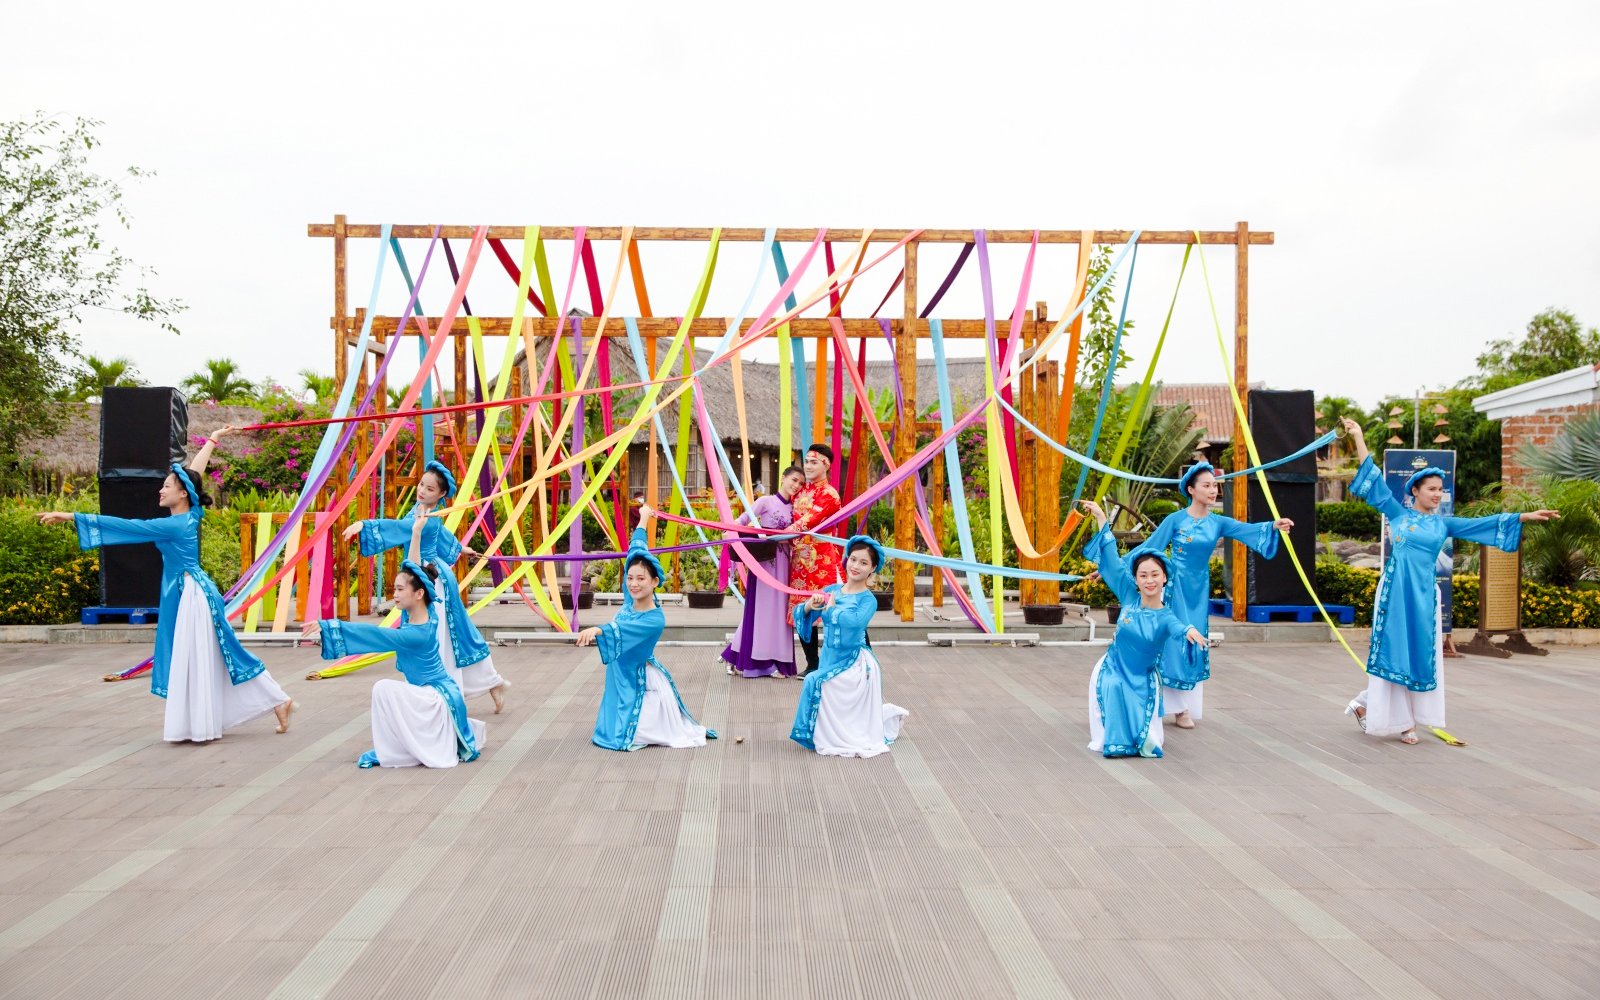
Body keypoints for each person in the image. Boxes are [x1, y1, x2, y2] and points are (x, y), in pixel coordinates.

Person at [37, 427, 294, 742]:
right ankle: (270, 702)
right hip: (190, 591)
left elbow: (125, 525)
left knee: (207, 655)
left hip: (191, 595)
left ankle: (269, 702)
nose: (160, 490)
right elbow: (194, 474)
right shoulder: (192, 514)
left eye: (166, 486)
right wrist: (213, 439)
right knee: (213, 654)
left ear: (182, 493)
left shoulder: (172, 525)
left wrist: (69, 515)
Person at [1338, 417, 1559, 744]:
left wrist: (1525, 517)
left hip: (1425, 597)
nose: (1438, 494)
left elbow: (1484, 523)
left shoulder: (1444, 525)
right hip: (1395, 594)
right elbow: (1372, 476)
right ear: (1415, 491)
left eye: (1441, 490)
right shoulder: (1397, 514)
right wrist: (1357, 436)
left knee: (1420, 654)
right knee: (1394, 652)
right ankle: (1399, 721)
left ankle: (1383, 711)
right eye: (1432, 489)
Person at [304, 513, 483, 767]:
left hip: (435, 697)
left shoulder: (414, 633)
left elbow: (375, 635)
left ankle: (394, 750)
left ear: (418, 594)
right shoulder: (424, 611)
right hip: (440, 694)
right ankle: (403, 743)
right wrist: (417, 533)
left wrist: (328, 627)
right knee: (390, 690)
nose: (395, 595)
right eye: (395, 589)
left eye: (399, 590)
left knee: (383, 689)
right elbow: (412, 565)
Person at [1125, 462, 1292, 729]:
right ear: (1191, 489)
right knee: (1171, 643)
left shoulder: (1218, 522)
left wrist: (1274, 525)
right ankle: (1172, 708)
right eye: (1207, 485)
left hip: (1198, 590)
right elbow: (1149, 548)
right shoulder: (1175, 520)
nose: (1213, 490)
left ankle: (1185, 707)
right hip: (1174, 588)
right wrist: (1114, 566)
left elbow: (1246, 530)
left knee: (1194, 642)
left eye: (1215, 485)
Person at [342, 460, 508, 713]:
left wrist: (364, 525)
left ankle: (445, 691)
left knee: (440, 636)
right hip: (424, 577)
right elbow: (440, 536)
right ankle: (488, 682)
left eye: (430, 489)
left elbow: (403, 528)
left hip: (432, 582)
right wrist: (461, 548)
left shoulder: (427, 517)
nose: (422, 491)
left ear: (441, 494)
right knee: (451, 635)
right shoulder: (423, 511)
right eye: (421, 484)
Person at [576, 503, 717, 751]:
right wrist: (643, 519)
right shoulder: (632, 598)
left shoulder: (654, 619)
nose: (633, 583)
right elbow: (636, 549)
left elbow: (621, 631)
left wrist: (596, 630)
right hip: (620, 673)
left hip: (636, 676)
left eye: (641, 579)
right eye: (630, 578)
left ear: (654, 582)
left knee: (626, 734)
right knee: (612, 727)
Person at [1078, 500, 1208, 758]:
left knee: (1150, 742)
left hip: (1143, 679)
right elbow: (1112, 559)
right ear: (1135, 579)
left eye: (1155, 575)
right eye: (1143, 575)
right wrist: (1101, 518)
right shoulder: (1128, 595)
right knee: (1113, 687)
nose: (1149, 580)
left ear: (1164, 578)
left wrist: (1190, 632)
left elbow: (1179, 628)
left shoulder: (1165, 615)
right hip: (1112, 667)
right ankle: (1112, 739)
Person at [789, 536, 908, 757]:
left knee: (813, 679)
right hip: (830, 658)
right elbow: (803, 617)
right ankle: (828, 735)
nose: (856, 566)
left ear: (872, 568)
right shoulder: (832, 589)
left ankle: (838, 735)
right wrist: (808, 605)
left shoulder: (868, 600)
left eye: (863, 563)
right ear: (846, 560)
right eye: (853, 559)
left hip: (854, 660)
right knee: (819, 679)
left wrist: (832, 610)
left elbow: (855, 624)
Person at [721, 465, 804, 678]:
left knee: (779, 614)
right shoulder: (765, 501)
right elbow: (741, 523)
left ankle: (736, 655)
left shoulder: (796, 509)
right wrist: (730, 535)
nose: (796, 485)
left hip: (785, 565)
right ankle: (762, 663)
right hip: (765, 564)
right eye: (793, 480)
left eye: (800, 483)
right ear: (783, 478)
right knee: (762, 612)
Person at [786, 444, 844, 676]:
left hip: (823, 561)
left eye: (814, 462)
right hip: (799, 561)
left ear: (826, 465)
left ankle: (845, 658)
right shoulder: (800, 492)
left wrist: (778, 536)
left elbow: (809, 521)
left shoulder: (829, 494)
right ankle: (812, 663)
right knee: (803, 611)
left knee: (834, 610)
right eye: (807, 461)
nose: (808, 466)